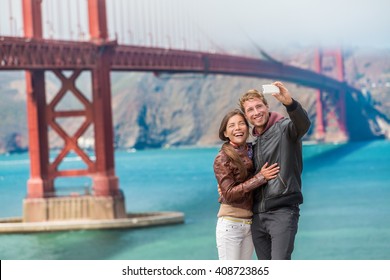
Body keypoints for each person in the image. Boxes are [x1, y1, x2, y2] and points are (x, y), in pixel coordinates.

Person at [239, 81, 311, 260]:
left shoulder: (285, 128)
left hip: (282, 211)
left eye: (259, 106)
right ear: (246, 116)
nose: (256, 113)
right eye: (250, 110)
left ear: (267, 106)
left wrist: (290, 103)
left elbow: (303, 125)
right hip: (257, 216)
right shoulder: (252, 143)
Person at [213, 109, 280, 260]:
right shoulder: (222, 158)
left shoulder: (254, 151)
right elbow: (229, 194)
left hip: (250, 224)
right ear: (225, 133)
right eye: (232, 125)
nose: (237, 128)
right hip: (231, 225)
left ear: (247, 128)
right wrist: (260, 178)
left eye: (241, 123)